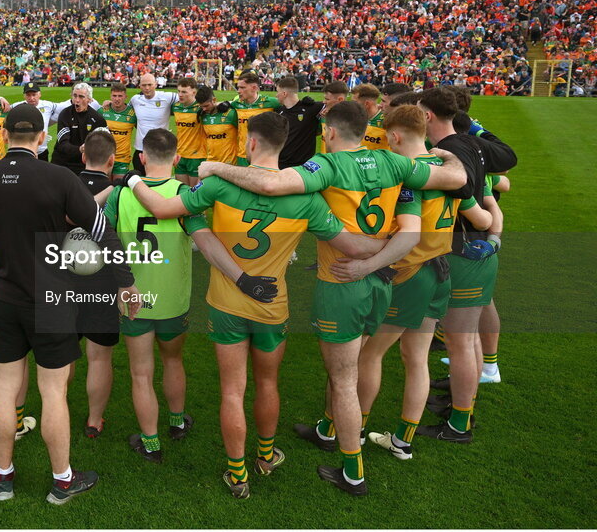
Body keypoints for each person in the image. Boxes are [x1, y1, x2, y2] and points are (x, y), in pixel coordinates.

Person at [196, 101, 468, 496]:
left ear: (332, 133)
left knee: (344, 379)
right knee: (362, 363)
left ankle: (352, 471)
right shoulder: (393, 163)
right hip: (383, 282)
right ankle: (330, 431)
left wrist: (216, 167)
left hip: (343, 282)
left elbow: (271, 184)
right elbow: (455, 178)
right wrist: (446, 153)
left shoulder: (327, 166)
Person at [0, 103, 139, 504]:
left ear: (3, 135)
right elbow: (102, 230)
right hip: (50, 297)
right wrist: (125, 282)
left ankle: (3, 477)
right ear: (42, 138)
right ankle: (62, 480)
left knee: (5, 388)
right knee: (52, 392)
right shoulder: (59, 177)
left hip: (4, 295)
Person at [345, 105, 492, 460]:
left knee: (370, 353)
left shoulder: (406, 175)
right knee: (416, 357)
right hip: (440, 271)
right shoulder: (447, 170)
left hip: (410, 274)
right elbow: (483, 217)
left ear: (395, 136)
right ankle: (402, 440)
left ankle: (356, 430)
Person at [415, 88, 515, 443]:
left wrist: (486, 225)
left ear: (427, 115)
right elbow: (492, 192)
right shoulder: (470, 143)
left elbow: (474, 205)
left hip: (464, 252)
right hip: (475, 250)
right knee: (466, 339)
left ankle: (459, 424)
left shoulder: (447, 152)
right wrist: (491, 230)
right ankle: (461, 410)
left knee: (459, 343)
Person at [107, 130, 206, 463]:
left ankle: (151, 443)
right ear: (177, 159)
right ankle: (177, 423)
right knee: (173, 361)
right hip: (173, 299)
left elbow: (101, 237)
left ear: (142, 158)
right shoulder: (186, 195)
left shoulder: (119, 195)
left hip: (133, 298)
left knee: (140, 373)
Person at [74, 130, 121, 438]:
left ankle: (57, 409)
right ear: (112, 160)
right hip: (103, 282)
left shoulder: (63, 184)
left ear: (82, 156)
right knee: (99, 356)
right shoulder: (120, 192)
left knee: (63, 351)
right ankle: (94, 421)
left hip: (64, 278)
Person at [124, 73, 177, 170]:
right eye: (144, 85)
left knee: (158, 182)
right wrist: (110, 104)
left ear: (156, 84)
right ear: (139, 86)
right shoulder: (135, 100)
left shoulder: (168, 97)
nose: (147, 88)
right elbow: (125, 111)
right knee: (140, 181)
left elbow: (187, 98)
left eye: (150, 85)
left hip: (160, 149)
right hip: (141, 149)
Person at [53, 83, 106, 174]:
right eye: (75, 96)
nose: (77, 100)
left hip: (84, 165)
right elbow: (63, 144)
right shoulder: (65, 114)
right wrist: (80, 149)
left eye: (81, 97)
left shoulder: (97, 119)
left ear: (89, 100)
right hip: (62, 163)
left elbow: (102, 145)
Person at [230, 72, 280, 167]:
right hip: (242, 156)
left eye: (242, 87)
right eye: (238, 87)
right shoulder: (236, 105)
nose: (238, 91)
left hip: (263, 156)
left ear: (254, 88)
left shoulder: (270, 103)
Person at [274, 75, 324, 169]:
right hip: (280, 165)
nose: (276, 95)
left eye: (277, 92)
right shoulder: (279, 111)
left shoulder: (311, 108)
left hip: (302, 167)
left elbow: (332, 104)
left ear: (284, 93)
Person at [171, 77, 205, 187]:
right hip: (180, 156)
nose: (180, 94)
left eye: (184, 92)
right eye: (179, 91)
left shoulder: (201, 108)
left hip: (197, 157)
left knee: (193, 192)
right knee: (181, 192)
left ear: (194, 92)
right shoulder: (176, 107)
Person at [99, 83, 137, 178]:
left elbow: (142, 130)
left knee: (118, 187)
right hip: (104, 157)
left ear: (125, 97)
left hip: (122, 160)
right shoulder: (102, 111)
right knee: (104, 187)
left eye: (120, 96)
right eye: (114, 96)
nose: (117, 99)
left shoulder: (133, 114)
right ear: (110, 96)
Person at [13, 82, 57, 161]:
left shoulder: (48, 105)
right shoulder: (17, 107)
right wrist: (0, 98)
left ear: (39, 94)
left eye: (34, 95)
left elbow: (64, 106)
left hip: (42, 152)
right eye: (28, 95)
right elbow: (3, 108)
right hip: (24, 152)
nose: (31, 98)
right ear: (24, 96)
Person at [197, 85, 237, 165]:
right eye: (201, 106)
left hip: (229, 163)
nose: (204, 109)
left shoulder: (230, 114)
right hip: (210, 161)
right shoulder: (203, 115)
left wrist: (228, 103)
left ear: (214, 100)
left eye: (206, 106)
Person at [353, 84, 387, 150]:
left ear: (367, 104)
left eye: (355, 102)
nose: (352, 105)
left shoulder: (386, 122)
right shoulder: (353, 118)